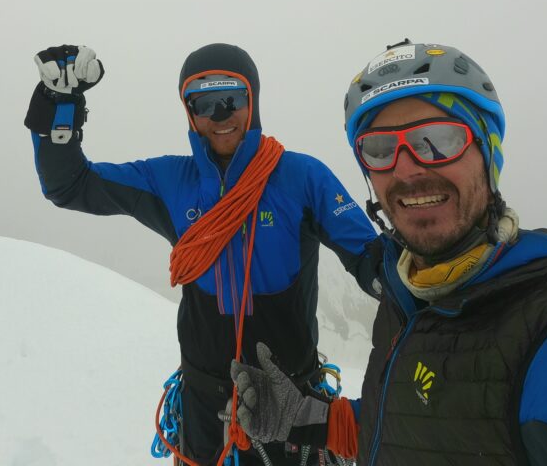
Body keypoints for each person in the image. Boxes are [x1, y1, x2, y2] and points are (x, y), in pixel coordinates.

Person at [228, 40, 547, 465]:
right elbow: (417, 422)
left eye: (437, 139)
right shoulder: (410, 299)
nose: (407, 167)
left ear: (487, 152)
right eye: (380, 150)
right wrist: (310, 419)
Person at [23, 43, 380, 465]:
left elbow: (373, 264)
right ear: (189, 112)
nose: (220, 115)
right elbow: (70, 186)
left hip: (292, 409)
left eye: (232, 99)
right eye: (203, 104)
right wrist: (59, 106)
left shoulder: (301, 178)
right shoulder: (170, 181)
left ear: (253, 100)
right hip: (203, 413)